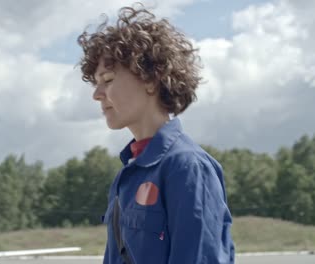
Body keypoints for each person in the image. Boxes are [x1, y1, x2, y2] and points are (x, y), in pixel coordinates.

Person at [77, 4, 235, 264]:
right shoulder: (127, 174)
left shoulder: (187, 167)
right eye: (96, 84)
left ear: (150, 79)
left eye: (107, 79)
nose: (97, 94)